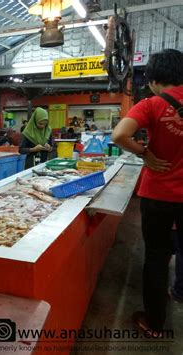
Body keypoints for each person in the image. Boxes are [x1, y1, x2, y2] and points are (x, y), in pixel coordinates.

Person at [111, 49, 183, 338]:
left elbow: (118, 135)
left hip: (160, 194)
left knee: (156, 256)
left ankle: (155, 323)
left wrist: (145, 154)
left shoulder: (151, 104)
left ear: (153, 79)